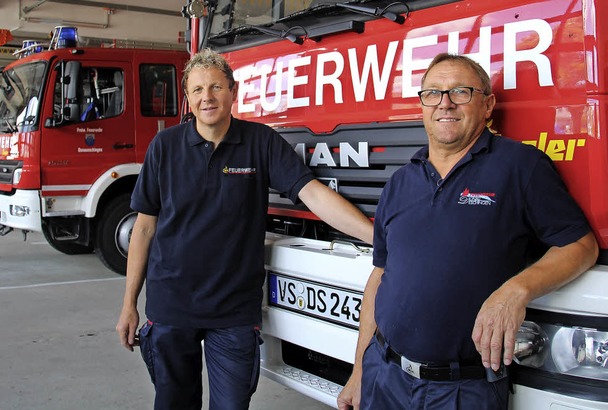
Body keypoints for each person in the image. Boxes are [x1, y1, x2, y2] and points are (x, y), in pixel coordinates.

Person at [337, 53, 598, 410]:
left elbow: (580, 245)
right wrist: (358, 373)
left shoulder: (520, 166)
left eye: (460, 92)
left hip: (463, 390)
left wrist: (516, 290)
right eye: (432, 93)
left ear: (488, 105)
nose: (445, 103)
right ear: (422, 105)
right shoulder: (400, 182)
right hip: (385, 377)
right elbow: (379, 276)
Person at [115, 48, 373, 410]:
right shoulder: (164, 147)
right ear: (187, 98)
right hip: (172, 307)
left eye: (216, 87)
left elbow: (312, 194)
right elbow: (143, 229)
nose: (208, 97)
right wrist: (129, 304)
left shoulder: (260, 142)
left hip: (234, 312)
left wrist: (377, 238)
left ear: (233, 92)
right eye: (198, 89)